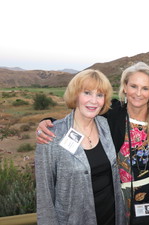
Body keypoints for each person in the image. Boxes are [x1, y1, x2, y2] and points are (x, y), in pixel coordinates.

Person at [36, 62, 149, 225]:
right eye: (133, 86)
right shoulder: (112, 115)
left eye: (145, 88)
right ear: (125, 87)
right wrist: (48, 123)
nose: (138, 93)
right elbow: (82, 114)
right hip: (118, 199)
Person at [35, 69, 125, 225]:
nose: (94, 101)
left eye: (99, 95)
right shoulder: (52, 136)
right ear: (75, 95)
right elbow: (45, 195)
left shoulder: (105, 126)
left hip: (111, 215)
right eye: (87, 93)